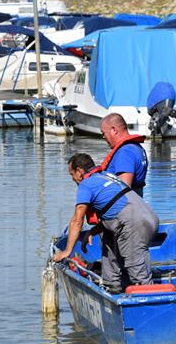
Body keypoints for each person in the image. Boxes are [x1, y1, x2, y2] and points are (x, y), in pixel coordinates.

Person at [52, 153, 159, 294]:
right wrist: (93, 231)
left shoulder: (86, 184)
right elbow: (115, 209)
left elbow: (77, 220)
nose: (72, 179)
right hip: (147, 216)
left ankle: (148, 300)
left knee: (138, 272)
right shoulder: (107, 176)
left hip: (134, 223)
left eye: (72, 174)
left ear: (79, 171)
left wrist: (67, 251)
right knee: (108, 236)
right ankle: (112, 286)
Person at [98, 113, 149, 196]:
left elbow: (124, 190)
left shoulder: (126, 152)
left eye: (103, 133)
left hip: (125, 207)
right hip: (136, 203)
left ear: (114, 130)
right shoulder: (136, 148)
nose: (103, 137)